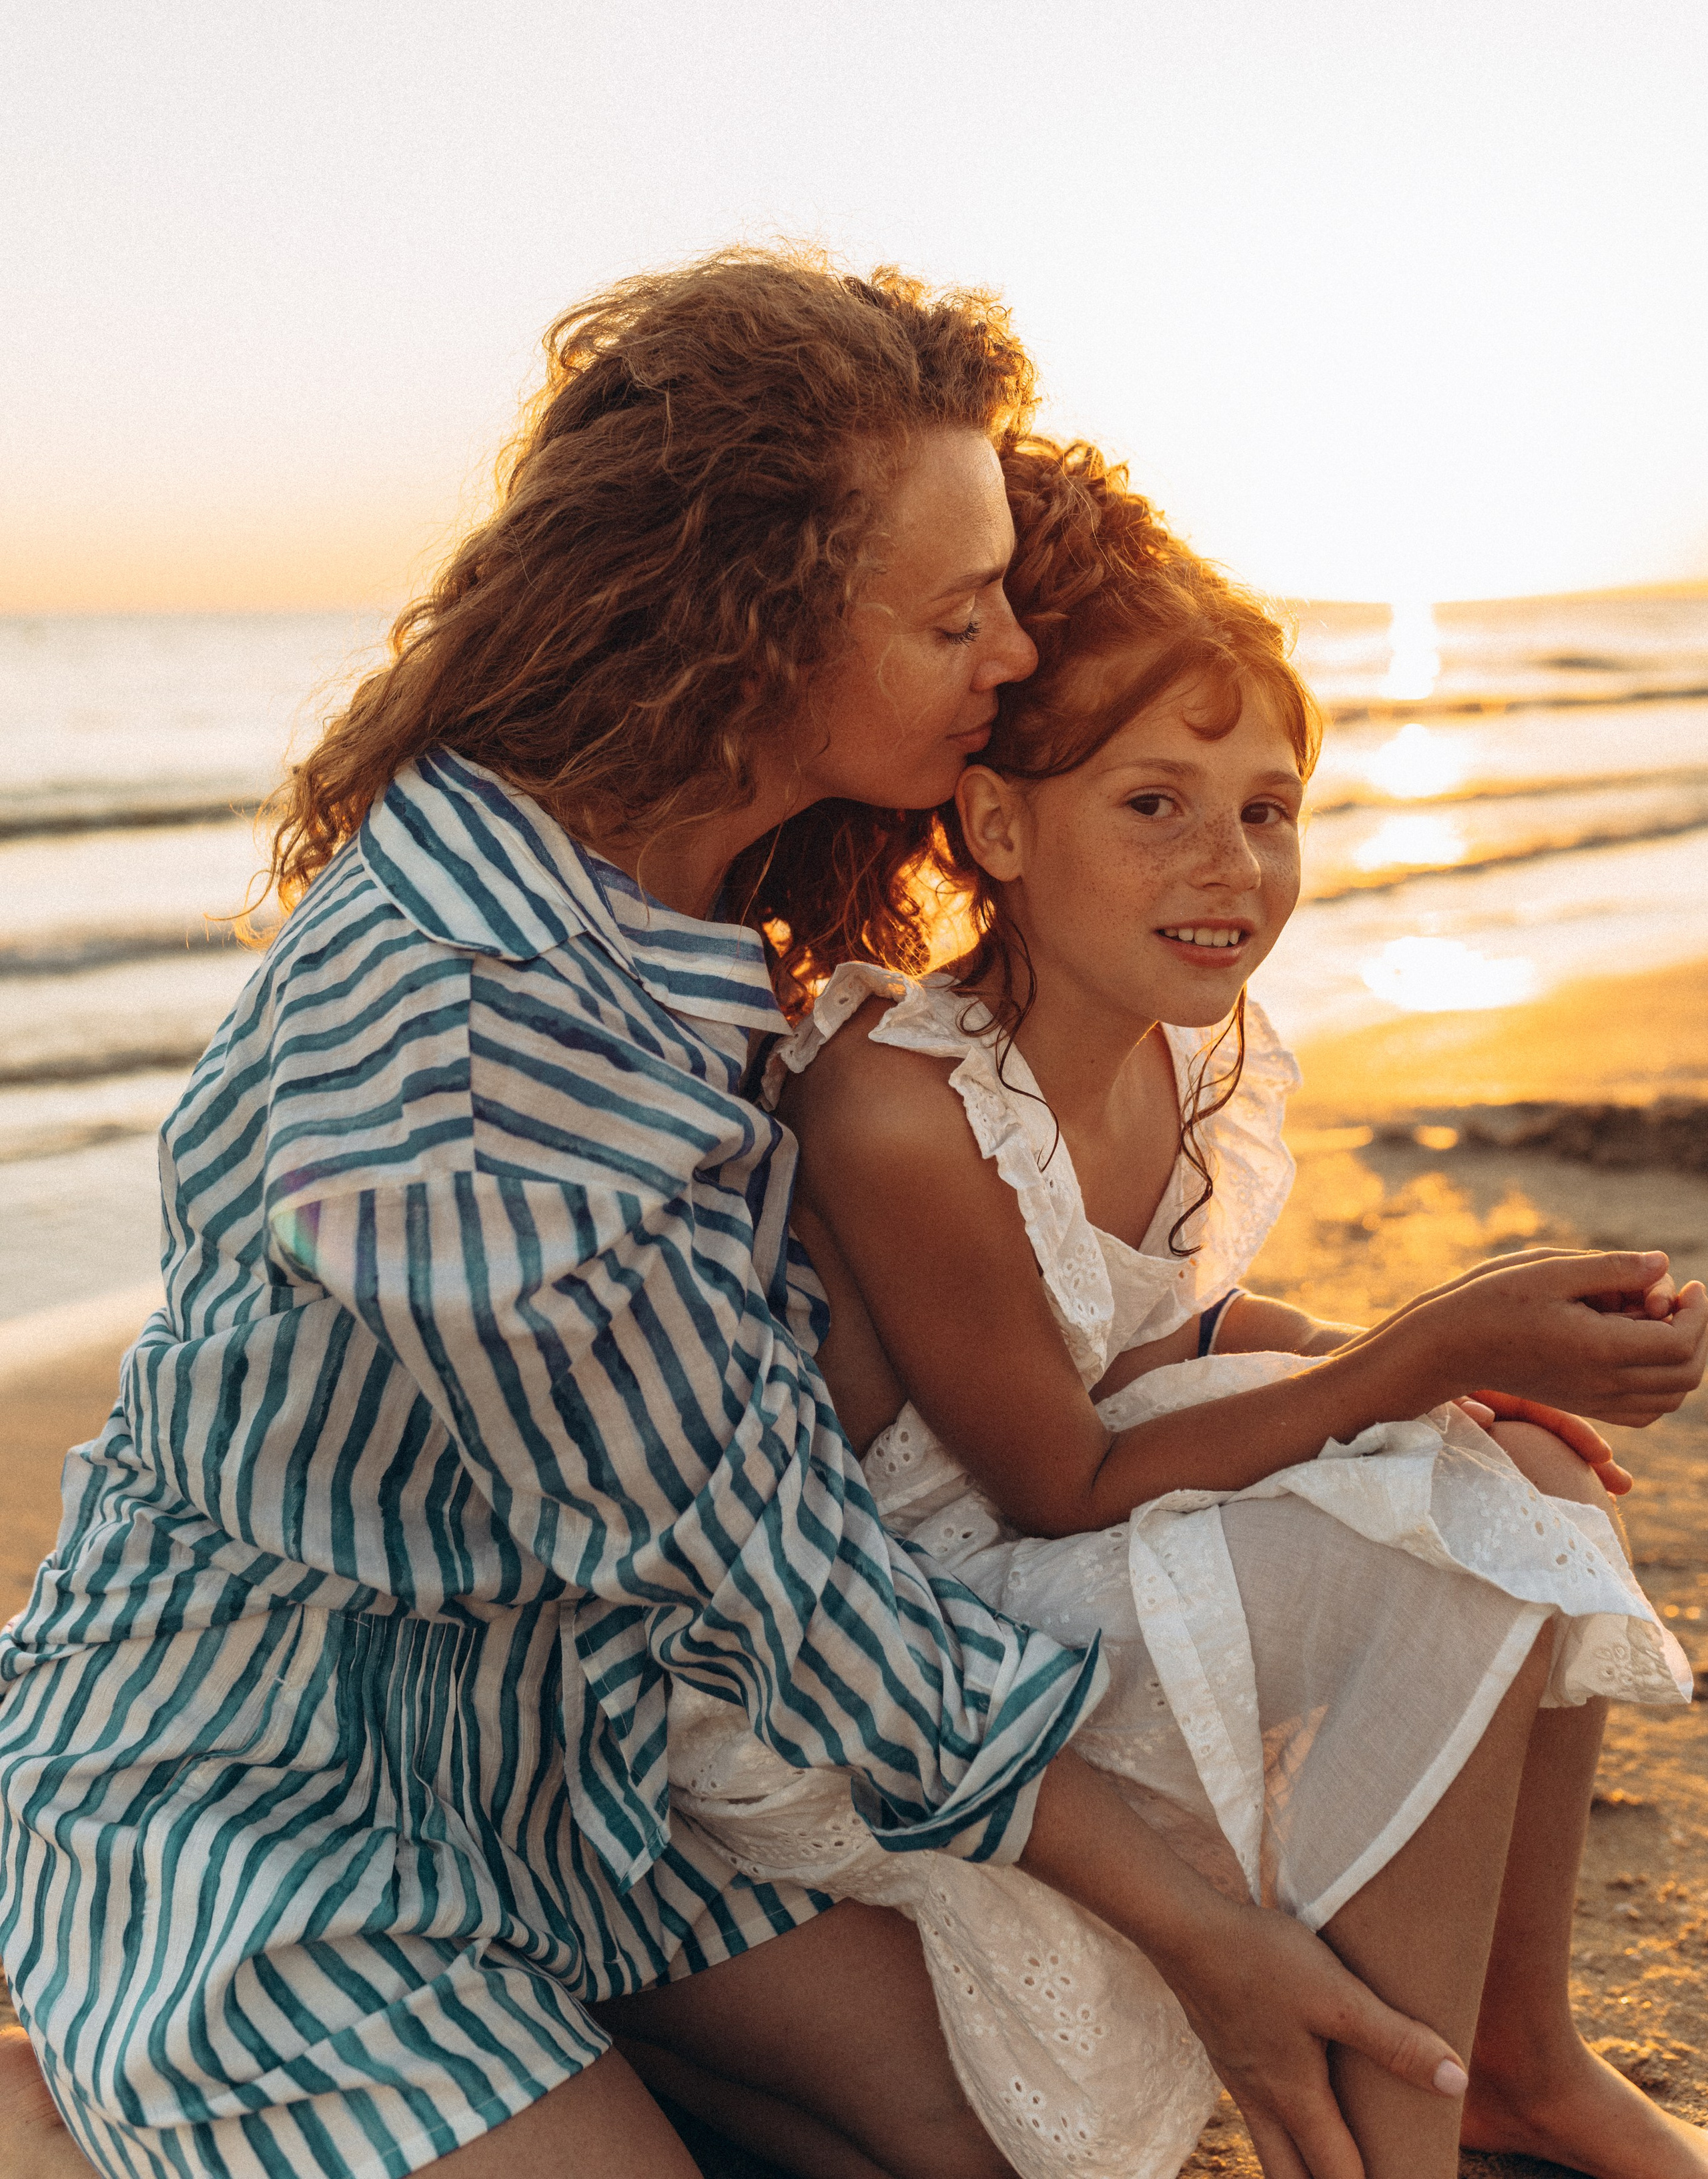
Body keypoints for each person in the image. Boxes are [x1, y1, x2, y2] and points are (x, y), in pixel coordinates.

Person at [0, 256, 1682, 2179]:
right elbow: (792, 1589)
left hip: (583, 1774)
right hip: (276, 1807)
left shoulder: (680, 884)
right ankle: (69, 2103)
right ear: (750, 630)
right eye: (959, 617)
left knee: (998, 2142)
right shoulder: (472, 1057)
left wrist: (1378, 1363)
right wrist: (1210, 1937)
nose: (1011, 661)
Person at [660, 434, 1708, 2179]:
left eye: (1267, 813)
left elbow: (1143, 1333)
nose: (1229, 866)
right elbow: (1054, 1477)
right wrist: (1426, 1347)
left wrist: (1425, 1363)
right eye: (1154, 806)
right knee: (1437, 1547)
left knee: (1513, 1476)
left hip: (1033, 1541)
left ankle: (1520, 2059)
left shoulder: (1166, 1054)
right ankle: (1393, 2140)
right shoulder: (900, 1099)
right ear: (1000, 825)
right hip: (896, 1644)